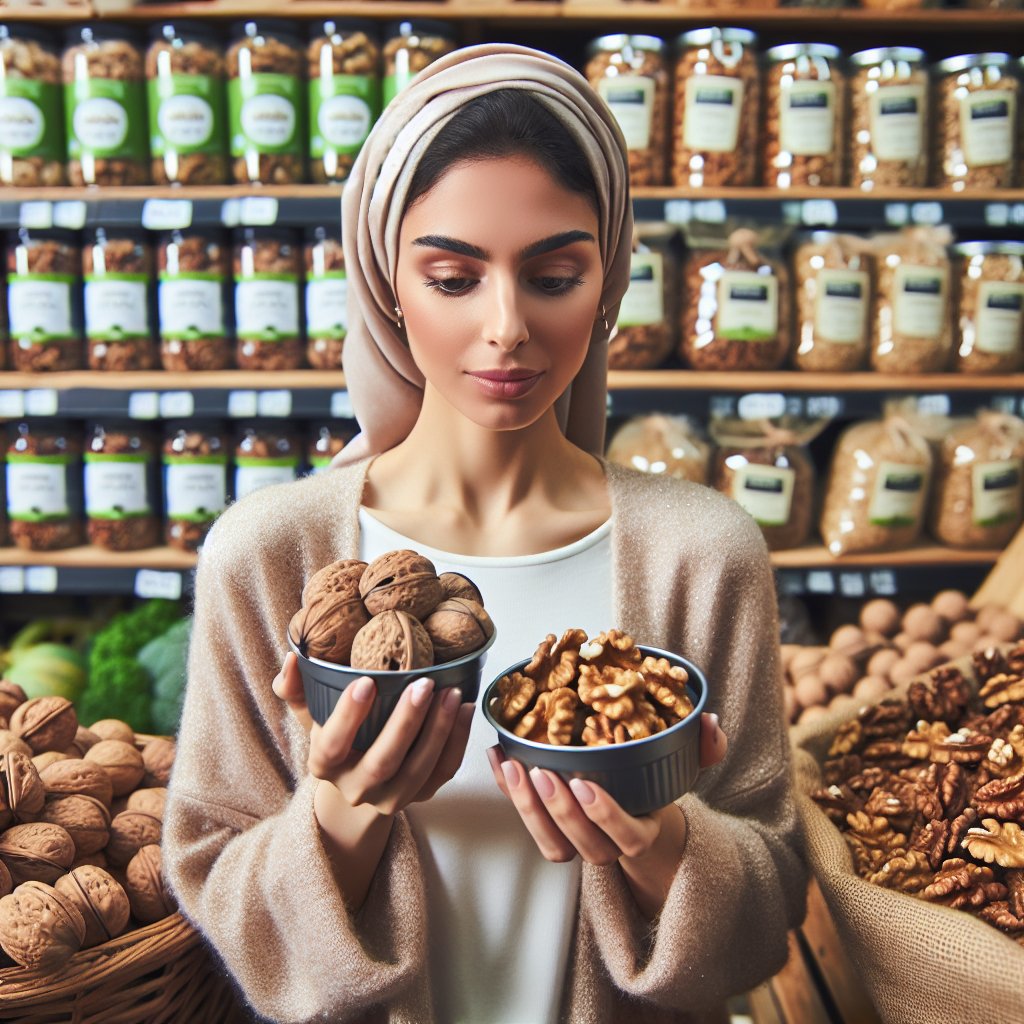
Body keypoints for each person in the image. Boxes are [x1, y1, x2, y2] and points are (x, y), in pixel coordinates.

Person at [164, 43, 807, 1024]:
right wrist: (346, 810)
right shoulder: (270, 557)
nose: (506, 326)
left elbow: (772, 895)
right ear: (386, 283)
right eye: (454, 278)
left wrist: (667, 840)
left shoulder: (703, 553)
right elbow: (216, 889)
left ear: (608, 285)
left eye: (552, 275)